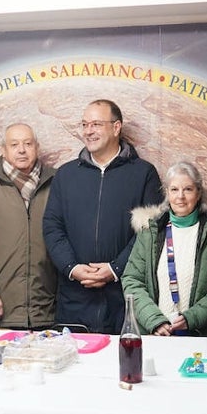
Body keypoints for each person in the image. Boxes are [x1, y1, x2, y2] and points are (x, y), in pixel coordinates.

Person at [42, 99, 162, 333]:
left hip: (124, 297)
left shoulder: (143, 173)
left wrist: (116, 268)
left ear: (116, 127)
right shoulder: (66, 174)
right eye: (85, 124)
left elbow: (151, 230)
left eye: (96, 124)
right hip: (74, 298)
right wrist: (72, 267)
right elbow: (52, 226)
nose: (88, 131)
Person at [121, 161, 207, 336]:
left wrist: (191, 318)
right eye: (174, 189)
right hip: (157, 334)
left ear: (198, 193)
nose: (180, 196)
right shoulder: (149, 232)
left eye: (188, 189)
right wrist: (154, 321)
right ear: (167, 193)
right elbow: (132, 280)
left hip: (200, 333)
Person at [0, 123, 57, 329]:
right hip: (1, 307)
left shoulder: (56, 182)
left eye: (27, 144)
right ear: (4, 150)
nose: (21, 150)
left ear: (37, 147)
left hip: (46, 308)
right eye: (14, 144)